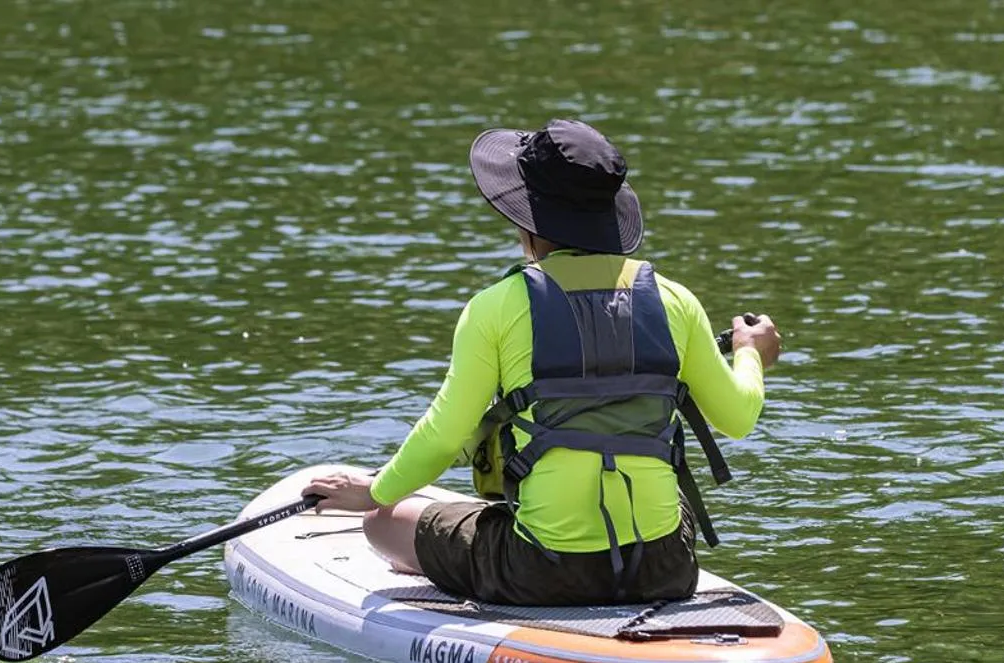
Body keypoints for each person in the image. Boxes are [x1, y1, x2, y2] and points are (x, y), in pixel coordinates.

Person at [302, 118, 781, 607]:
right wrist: (749, 352)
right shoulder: (675, 300)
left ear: (527, 221)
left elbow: (444, 436)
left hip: (540, 573)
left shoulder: (495, 307)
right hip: (664, 569)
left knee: (384, 525)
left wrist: (375, 492)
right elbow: (739, 417)